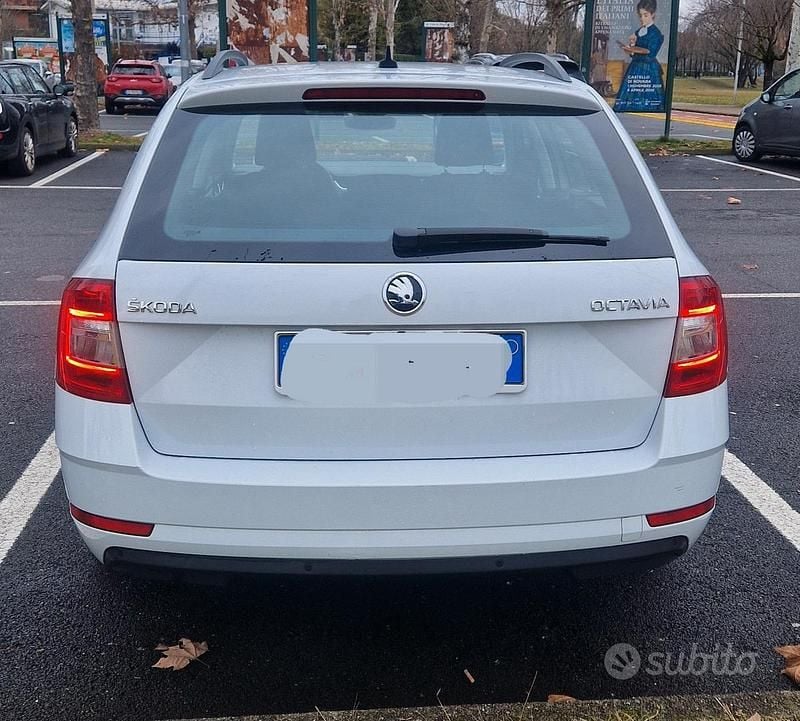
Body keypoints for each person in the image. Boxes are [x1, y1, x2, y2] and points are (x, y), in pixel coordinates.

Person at [614, 0, 665, 112]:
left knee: (648, 99)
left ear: (653, 15)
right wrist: (630, 47)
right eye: (640, 15)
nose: (642, 18)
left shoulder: (656, 34)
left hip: (649, 70)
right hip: (635, 67)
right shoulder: (638, 31)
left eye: (645, 15)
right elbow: (636, 51)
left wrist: (632, 51)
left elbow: (650, 55)